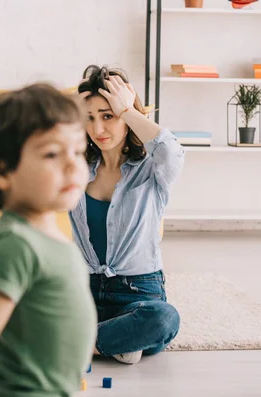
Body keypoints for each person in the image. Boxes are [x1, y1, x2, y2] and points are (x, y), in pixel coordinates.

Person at [0, 83, 97, 397]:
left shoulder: (52, 235)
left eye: (79, 151)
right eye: (53, 153)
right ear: (2, 171)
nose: (73, 164)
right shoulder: (16, 243)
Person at [69, 65, 185, 365]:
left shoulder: (151, 169)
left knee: (163, 320)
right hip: (83, 291)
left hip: (137, 294)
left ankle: (72, 342)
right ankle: (113, 341)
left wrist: (129, 111)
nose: (98, 130)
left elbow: (171, 150)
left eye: (108, 116)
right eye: (90, 118)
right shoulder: (76, 167)